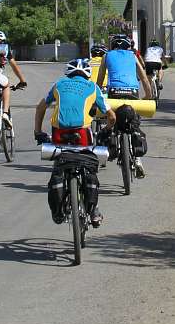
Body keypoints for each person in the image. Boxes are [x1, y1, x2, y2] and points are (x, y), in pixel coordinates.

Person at [34, 58, 115, 227]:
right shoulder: (93, 87)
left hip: (59, 134)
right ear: (87, 74)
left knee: (60, 163)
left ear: (68, 72)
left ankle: (59, 207)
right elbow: (111, 116)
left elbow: (40, 107)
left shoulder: (58, 84)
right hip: (82, 133)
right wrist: (107, 129)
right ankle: (94, 210)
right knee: (90, 166)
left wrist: (38, 131)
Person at [96, 34, 153, 177]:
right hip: (132, 93)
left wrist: (96, 97)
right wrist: (147, 97)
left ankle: (113, 140)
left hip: (114, 93)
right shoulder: (133, 56)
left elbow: (99, 81)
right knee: (134, 123)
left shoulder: (106, 56)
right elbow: (145, 78)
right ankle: (138, 159)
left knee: (113, 120)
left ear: (112, 46)